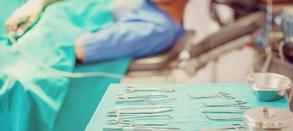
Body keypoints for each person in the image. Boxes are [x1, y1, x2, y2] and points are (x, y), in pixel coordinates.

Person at [6, 0, 186, 63]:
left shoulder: (156, 29)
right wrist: (38, 3)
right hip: (30, 15)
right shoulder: (145, 4)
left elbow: (77, 48)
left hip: (33, 40)